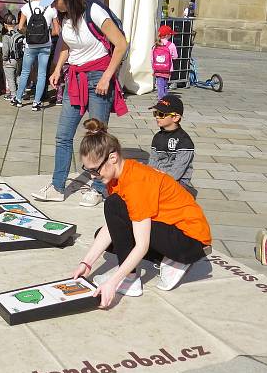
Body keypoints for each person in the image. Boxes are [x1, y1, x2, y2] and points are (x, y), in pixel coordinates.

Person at [70, 119, 212, 306]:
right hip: (173, 233)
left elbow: (142, 245)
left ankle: (131, 279)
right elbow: (114, 226)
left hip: (190, 242)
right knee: (104, 234)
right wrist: (86, 263)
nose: (93, 177)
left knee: (113, 206)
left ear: (112, 158)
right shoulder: (118, 175)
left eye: (95, 171)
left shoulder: (136, 183)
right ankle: (145, 267)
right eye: (88, 171)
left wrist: (114, 282)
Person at [31, 0, 128, 207]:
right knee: (63, 135)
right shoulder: (64, 17)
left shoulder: (93, 11)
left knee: (96, 137)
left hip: (98, 78)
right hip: (75, 77)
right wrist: (57, 69)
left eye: (56, 0)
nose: (54, 5)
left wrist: (107, 77)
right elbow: (65, 43)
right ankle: (57, 186)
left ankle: (97, 187)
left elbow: (121, 44)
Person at [13, 0, 60, 111]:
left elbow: (20, 27)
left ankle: (18, 99)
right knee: (42, 73)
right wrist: (45, 33)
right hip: (45, 45)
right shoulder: (52, 8)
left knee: (25, 72)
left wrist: (30, 34)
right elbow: (57, 31)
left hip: (30, 45)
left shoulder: (26, 7)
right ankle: (37, 102)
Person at [148, 95, 195, 191]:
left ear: (176, 118)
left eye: (161, 114)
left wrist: (158, 182)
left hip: (179, 183)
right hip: (159, 178)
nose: (157, 116)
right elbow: (152, 162)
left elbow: (177, 172)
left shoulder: (184, 141)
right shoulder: (157, 137)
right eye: (155, 113)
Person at [0, 9, 22, 100]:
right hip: (19, 60)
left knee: (10, 79)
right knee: (18, 76)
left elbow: (5, 50)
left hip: (9, 60)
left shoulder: (5, 37)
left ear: (4, 25)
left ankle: (13, 95)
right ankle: (21, 92)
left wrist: (4, 59)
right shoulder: (19, 35)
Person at [152, 25, 178, 100]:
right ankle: (163, 98)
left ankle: (162, 98)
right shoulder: (171, 45)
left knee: (160, 84)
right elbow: (175, 56)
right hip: (167, 68)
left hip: (157, 68)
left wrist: (153, 67)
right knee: (165, 84)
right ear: (167, 35)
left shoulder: (156, 44)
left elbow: (152, 58)